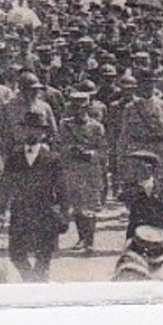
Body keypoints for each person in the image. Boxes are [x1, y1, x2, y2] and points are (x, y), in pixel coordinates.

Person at [3, 111, 69, 282]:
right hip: (21, 211)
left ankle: (39, 285)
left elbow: (61, 188)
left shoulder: (52, 159)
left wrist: (64, 213)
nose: (33, 133)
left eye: (38, 130)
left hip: (44, 212)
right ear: (23, 131)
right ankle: (29, 278)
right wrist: (0, 210)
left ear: (44, 133)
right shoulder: (13, 159)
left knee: (44, 257)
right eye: (29, 129)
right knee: (16, 254)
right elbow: (5, 186)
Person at [56, 88, 109, 252]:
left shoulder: (96, 127)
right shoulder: (65, 125)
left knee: (90, 206)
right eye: (74, 107)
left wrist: (90, 154)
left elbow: (103, 150)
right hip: (72, 169)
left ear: (87, 108)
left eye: (81, 107)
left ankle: (90, 241)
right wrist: (71, 150)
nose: (77, 111)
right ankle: (81, 237)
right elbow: (58, 146)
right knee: (77, 206)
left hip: (90, 170)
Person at [118, 150, 163, 238]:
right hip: (135, 233)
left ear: (152, 169)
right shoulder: (130, 188)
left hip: (157, 232)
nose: (139, 170)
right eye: (136, 166)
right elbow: (123, 199)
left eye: (141, 166)